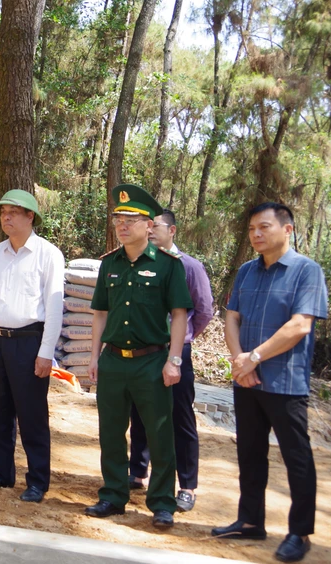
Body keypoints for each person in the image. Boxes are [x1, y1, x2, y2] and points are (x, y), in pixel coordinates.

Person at [212, 202, 328, 564]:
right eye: (251, 230)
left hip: (285, 382)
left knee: (297, 458)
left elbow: (300, 326)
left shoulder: (307, 272)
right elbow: (232, 318)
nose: (256, 235)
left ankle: (299, 532)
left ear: (287, 229)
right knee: (249, 451)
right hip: (247, 380)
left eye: (264, 227)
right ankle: (250, 521)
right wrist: (239, 361)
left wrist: (254, 357)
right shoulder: (247, 271)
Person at [85, 184, 192, 530]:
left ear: (150, 225)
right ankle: (113, 495)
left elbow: (179, 314)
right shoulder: (109, 265)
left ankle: (162, 503)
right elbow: (99, 313)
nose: (122, 224)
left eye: (131, 219)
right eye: (118, 218)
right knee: (111, 432)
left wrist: (174, 360)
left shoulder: (168, 265)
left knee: (161, 435)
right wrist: (93, 357)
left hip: (151, 361)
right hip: (114, 360)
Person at [0, 189, 64, 503]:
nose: (6, 218)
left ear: (30, 217)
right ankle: (2, 472)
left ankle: (37, 480)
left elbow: (54, 309)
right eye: (2, 212)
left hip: (29, 341)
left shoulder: (47, 254)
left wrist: (46, 353)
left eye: (13, 212)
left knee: (32, 414)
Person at [129, 209, 214, 512]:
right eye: (147, 226)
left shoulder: (188, 267)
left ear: (173, 230)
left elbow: (203, 310)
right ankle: (138, 471)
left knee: (180, 418)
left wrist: (185, 337)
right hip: (144, 351)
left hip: (175, 352)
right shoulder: (140, 263)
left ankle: (187, 486)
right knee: (139, 412)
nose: (150, 231)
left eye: (157, 226)